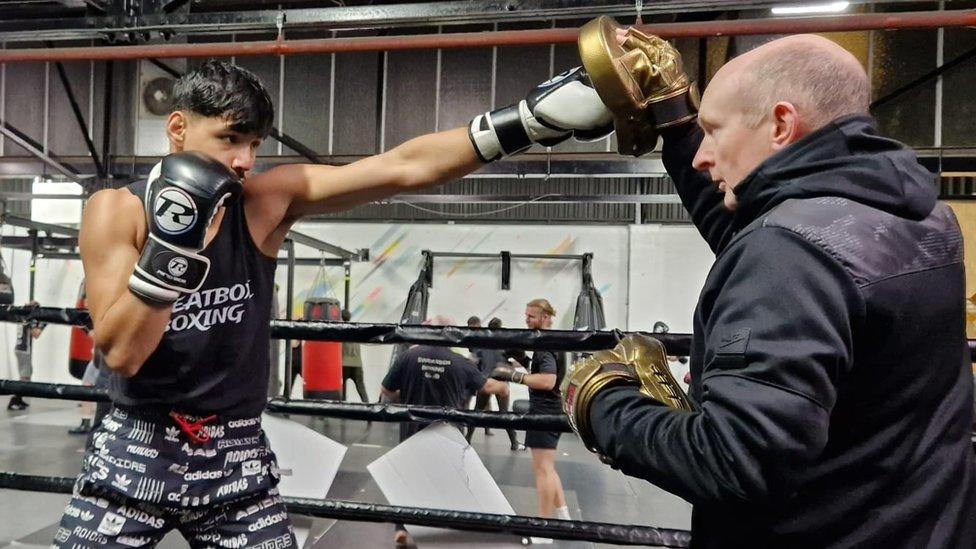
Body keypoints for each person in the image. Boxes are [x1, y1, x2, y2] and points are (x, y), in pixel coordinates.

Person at [55, 58, 613, 547]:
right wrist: (172, 245)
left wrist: (525, 122)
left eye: (255, 145)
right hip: (136, 442)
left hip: (235, 449)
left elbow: (399, 167)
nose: (246, 161)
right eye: (230, 139)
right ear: (177, 128)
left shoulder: (266, 201)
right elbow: (123, 355)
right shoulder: (116, 211)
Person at [562, 19, 976, 547]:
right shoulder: (920, 217)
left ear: (781, 125)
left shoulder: (791, 251)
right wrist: (673, 115)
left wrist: (601, 401)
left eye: (714, 131)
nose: (701, 155)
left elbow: (735, 465)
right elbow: (761, 233)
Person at [380, 315, 510, 547]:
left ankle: (401, 529)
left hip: (412, 428)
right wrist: (505, 385)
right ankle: (439, 530)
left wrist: (406, 397)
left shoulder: (407, 357)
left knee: (408, 479)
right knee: (447, 480)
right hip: (446, 431)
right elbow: (490, 387)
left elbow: (385, 390)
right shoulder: (460, 362)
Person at [490, 299, 569, 520]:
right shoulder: (548, 340)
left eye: (531, 316)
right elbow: (544, 370)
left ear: (545, 317)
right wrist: (522, 357)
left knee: (543, 471)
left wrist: (514, 375)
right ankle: (565, 519)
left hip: (544, 411)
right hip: (549, 409)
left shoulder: (544, 344)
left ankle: (544, 526)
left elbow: (548, 381)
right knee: (548, 469)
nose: (526, 320)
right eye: (526, 315)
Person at [464, 316, 520, 450]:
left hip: (486, 382)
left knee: (478, 410)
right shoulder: (504, 345)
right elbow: (512, 363)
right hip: (500, 383)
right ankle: (514, 442)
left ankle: (468, 439)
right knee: (504, 414)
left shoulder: (482, 345)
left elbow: (474, 361)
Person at [6, 300, 45, 411]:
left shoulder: (22, 316)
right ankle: (14, 400)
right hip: (24, 349)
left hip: (21, 348)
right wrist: (43, 324)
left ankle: (19, 399)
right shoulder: (29, 318)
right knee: (25, 376)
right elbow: (36, 334)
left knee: (26, 375)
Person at [340, 309, 369, 402]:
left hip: (344, 363)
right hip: (357, 363)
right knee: (361, 387)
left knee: (342, 388)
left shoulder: (340, 329)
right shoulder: (356, 328)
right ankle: (367, 406)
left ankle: (341, 407)